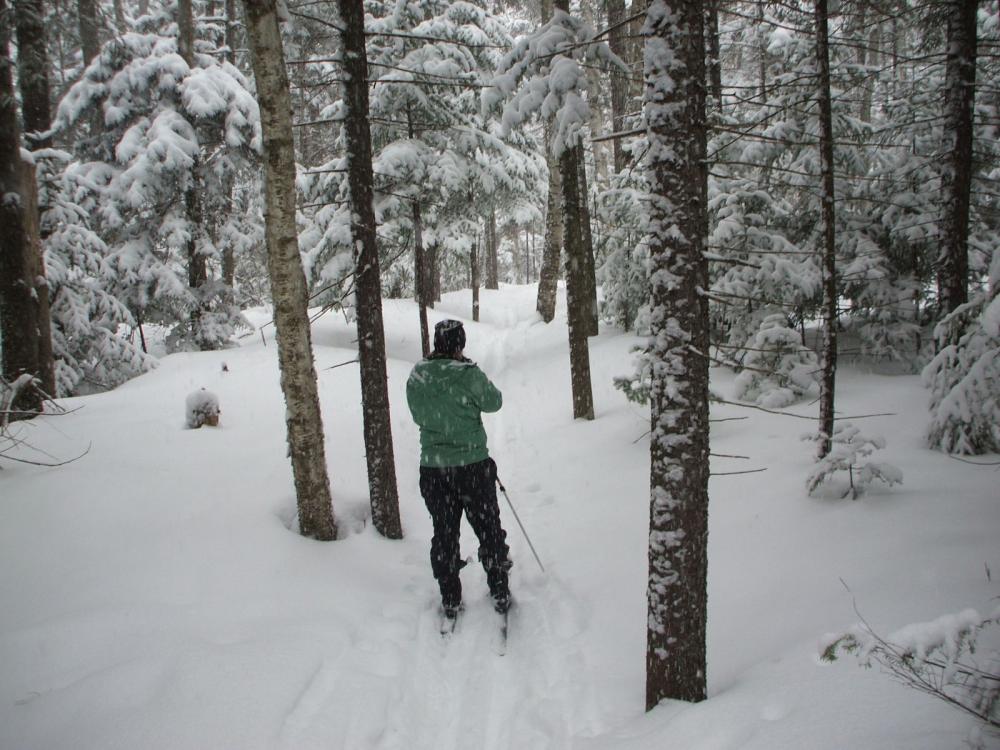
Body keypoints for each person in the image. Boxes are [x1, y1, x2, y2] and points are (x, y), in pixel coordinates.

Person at [406, 319, 512, 620]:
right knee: (488, 528)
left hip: (434, 470)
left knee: (444, 532)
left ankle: (450, 595)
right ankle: (499, 589)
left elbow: (417, 414)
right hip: (473, 468)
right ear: (460, 344)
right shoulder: (468, 374)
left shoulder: (417, 375)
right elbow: (494, 402)